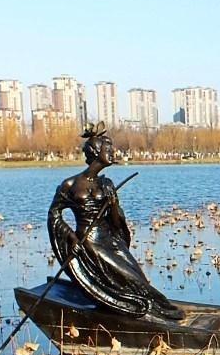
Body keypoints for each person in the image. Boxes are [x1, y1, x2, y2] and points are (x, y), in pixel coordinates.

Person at [47, 123, 183, 320]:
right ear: (95, 152)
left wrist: (112, 205)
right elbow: (54, 214)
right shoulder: (71, 184)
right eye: (108, 150)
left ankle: (155, 308)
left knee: (139, 280)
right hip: (90, 243)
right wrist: (71, 238)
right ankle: (155, 310)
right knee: (129, 278)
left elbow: (117, 221)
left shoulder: (106, 184)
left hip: (111, 240)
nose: (113, 153)